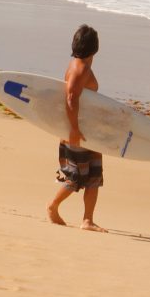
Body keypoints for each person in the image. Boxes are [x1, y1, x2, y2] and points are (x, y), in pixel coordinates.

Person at [46, 23, 105, 231]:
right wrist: (73, 129)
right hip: (78, 130)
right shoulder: (80, 68)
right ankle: (53, 207)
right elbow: (71, 98)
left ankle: (87, 220)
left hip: (89, 130)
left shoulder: (79, 64)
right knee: (75, 176)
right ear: (94, 47)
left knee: (94, 177)